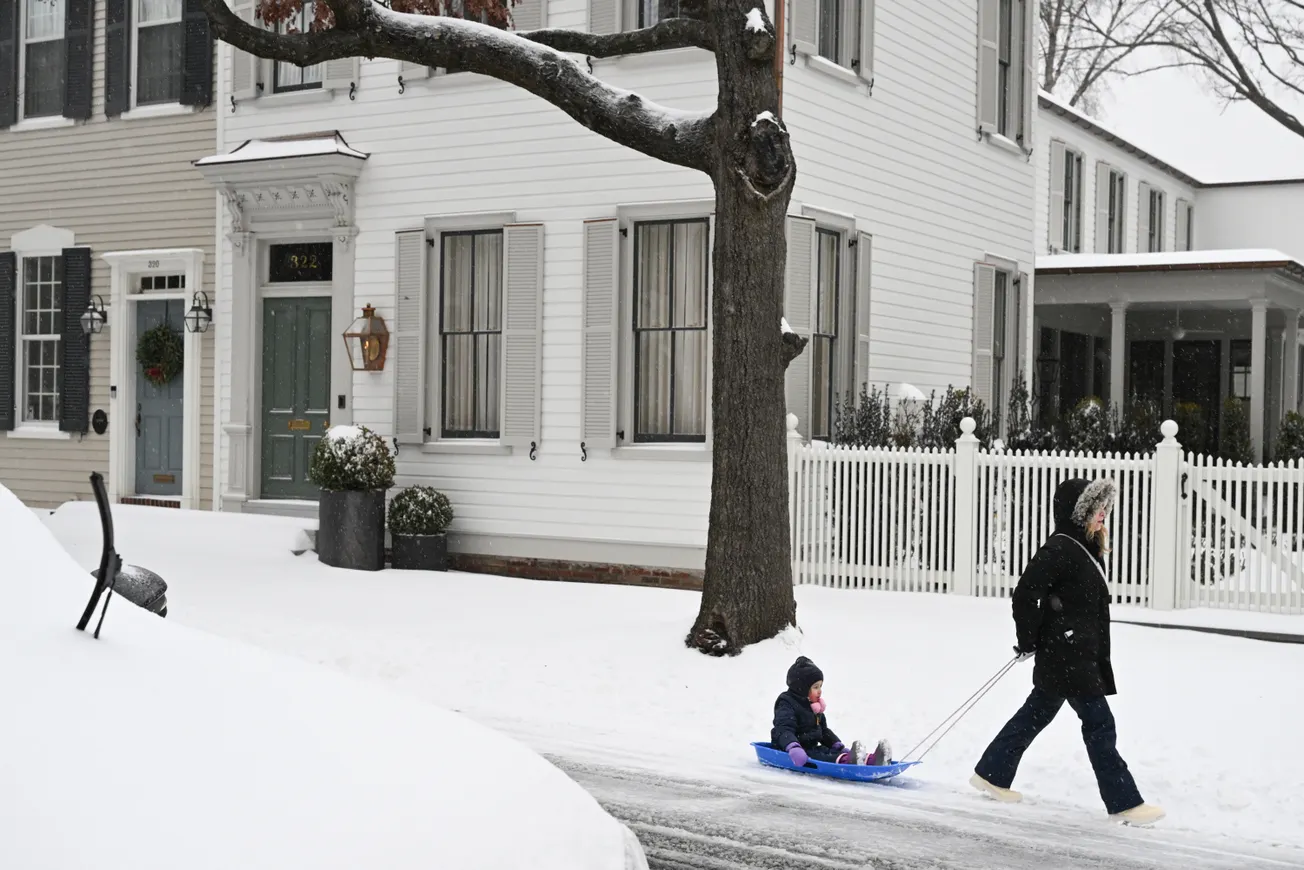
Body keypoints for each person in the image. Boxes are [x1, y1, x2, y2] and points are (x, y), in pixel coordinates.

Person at [969, 477, 1165, 825]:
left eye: (1104, 509)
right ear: (1079, 514)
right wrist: (1030, 639)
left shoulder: (1082, 546)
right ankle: (1125, 802)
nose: (1103, 515)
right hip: (1069, 655)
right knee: (1099, 724)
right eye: (1096, 510)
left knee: (1037, 713)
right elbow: (1025, 593)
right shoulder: (1061, 548)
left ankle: (992, 772)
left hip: (1074, 652)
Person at [772, 656, 891, 767]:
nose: (820, 691)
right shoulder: (786, 703)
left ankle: (874, 760)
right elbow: (783, 729)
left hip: (811, 747)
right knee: (821, 757)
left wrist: (836, 745)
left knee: (827, 752)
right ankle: (850, 760)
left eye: (820, 686)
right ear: (802, 688)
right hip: (789, 749)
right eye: (815, 687)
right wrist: (793, 746)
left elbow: (823, 731)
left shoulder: (814, 707)